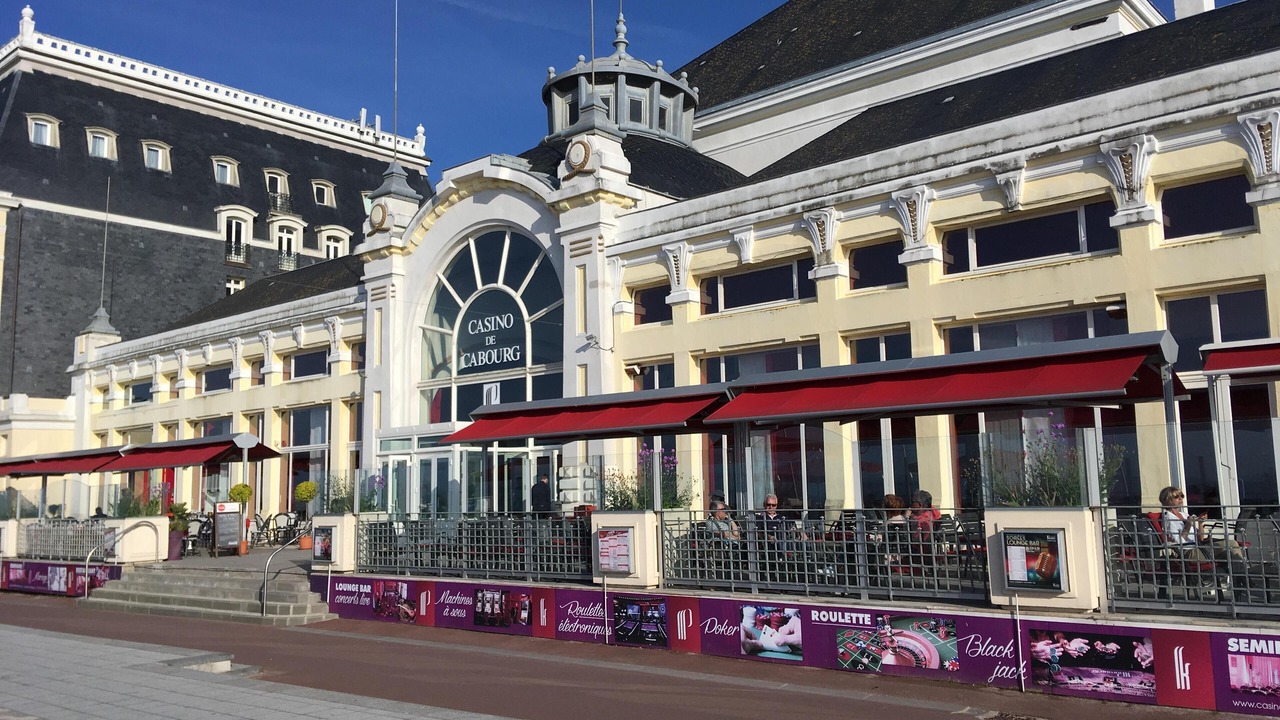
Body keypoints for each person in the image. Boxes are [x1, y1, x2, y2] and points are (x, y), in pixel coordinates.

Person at [1159, 485, 1246, 570]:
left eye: (1182, 496)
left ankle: (1239, 579)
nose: (1181, 498)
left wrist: (1200, 523)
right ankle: (1243, 579)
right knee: (1232, 544)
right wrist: (1188, 525)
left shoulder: (1184, 515)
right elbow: (1179, 543)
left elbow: (1200, 538)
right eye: (1176, 496)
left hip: (1198, 549)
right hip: (1189, 553)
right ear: (1168, 500)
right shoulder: (1168, 518)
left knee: (1230, 553)